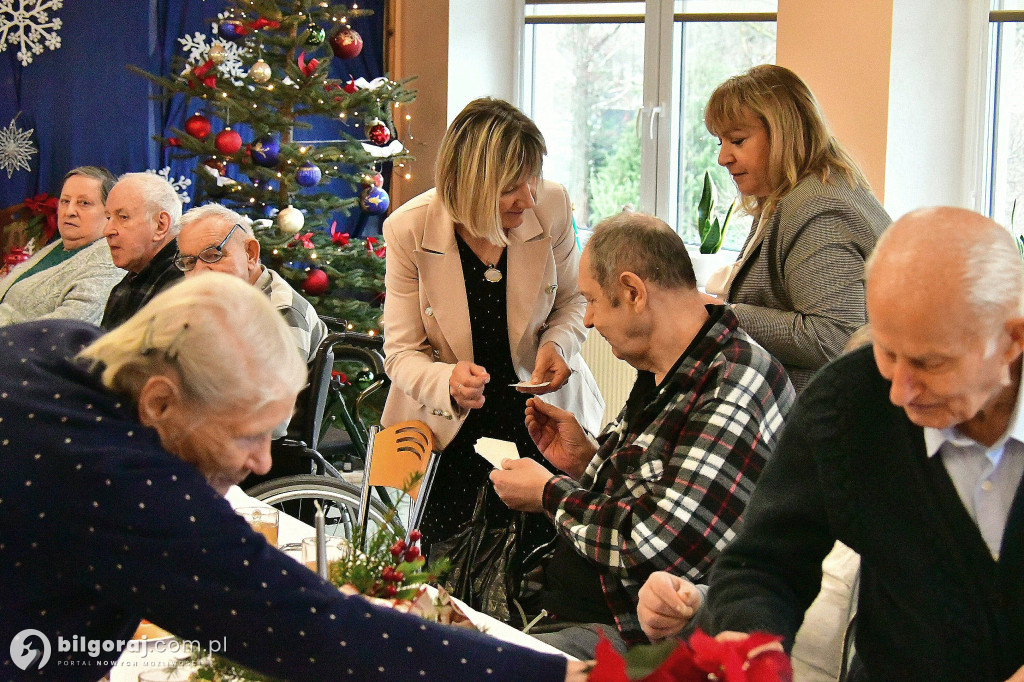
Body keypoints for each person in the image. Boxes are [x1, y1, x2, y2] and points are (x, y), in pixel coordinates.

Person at [0, 272, 589, 682]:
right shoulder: (120, 479)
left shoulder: (58, 345)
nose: (261, 462)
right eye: (246, 434)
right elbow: (311, 629)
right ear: (160, 402)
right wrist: (547, 675)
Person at [655, 208, 1023, 682]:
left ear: (1011, 341)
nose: (899, 391)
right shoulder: (849, 402)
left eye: (930, 363)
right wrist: (752, 645)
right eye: (888, 352)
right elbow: (763, 564)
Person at [489, 212, 794, 658]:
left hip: (630, 635)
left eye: (592, 300)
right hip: (580, 611)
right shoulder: (669, 366)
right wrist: (585, 460)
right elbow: (653, 488)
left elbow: (657, 543)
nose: (588, 320)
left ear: (633, 292)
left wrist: (549, 494)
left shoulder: (733, 382)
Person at [380, 97, 604, 562]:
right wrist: (446, 381)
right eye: (509, 188)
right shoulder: (409, 230)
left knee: (550, 568)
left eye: (531, 178)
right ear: (469, 187)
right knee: (449, 572)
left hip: (542, 419)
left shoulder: (553, 205)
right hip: (451, 434)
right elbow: (400, 354)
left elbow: (574, 300)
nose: (528, 197)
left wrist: (558, 345)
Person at [703, 64, 891, 392]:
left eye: (737, 140)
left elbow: (834, 337)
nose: (723, 158)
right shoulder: (793, 196)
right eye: (721, 142)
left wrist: (725, 314)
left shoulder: (818, 208)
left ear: (784, 132)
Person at [175, 203, 327, 363]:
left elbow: (275, 386)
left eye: (213, 255)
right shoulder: (213, 302)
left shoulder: (281, 312)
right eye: (189, 262)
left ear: (250, 254)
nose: (199, 272)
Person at [0, 166, 123, 326]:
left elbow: (64, 331)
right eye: (65, 201)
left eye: (84, 203)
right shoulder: (60, 246)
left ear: (109, 213)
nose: (69, 211)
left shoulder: (108, 264)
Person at [100, 171, 184, 329]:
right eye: (108, 218)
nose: (107, 230)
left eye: (123, 217)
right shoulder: (126, 284)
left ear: (160, 225)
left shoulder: (181, 284)